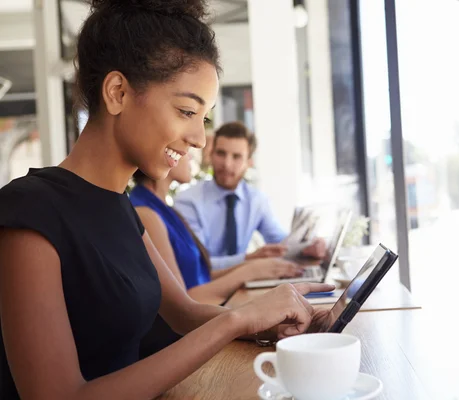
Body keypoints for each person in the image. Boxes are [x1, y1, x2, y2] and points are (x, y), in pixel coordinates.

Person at [0, 1, 333, 398]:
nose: (200, 139)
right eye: (186, 111)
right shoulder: (28, 212)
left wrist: (267, 322)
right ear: (118, 92)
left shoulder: (121, 207)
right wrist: (235, 322)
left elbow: (184, 314)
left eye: (203, 118)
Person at [130, 154, 304, 305]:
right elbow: (182, 303)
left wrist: (255, 265)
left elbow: (200, 277)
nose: (190, 156)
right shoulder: (147, 214)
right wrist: (251, 271)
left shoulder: (164, 208)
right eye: (186, 151)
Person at [175, 121, 326, 270]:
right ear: (211, 154)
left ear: (249, 162)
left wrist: (307, 247)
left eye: (236, 157)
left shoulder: (256, 200)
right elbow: (196, 263)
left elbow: (281, 243)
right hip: (201, 287)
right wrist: (249, 259)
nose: (227, 164)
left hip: (243, 285)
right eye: (221, 153)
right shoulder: (188, 201)